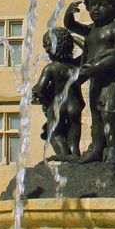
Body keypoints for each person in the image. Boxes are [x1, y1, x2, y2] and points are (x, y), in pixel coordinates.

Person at [64, 0, 115, 163]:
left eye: (101, 5)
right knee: (96, 114)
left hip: (112, 77)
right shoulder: (91, 29)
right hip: (94, 78)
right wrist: (68, 15)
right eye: (92, 6)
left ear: (112, 6)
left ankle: (113, 149)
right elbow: (72, 26)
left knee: (110, 113)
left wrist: (97, 66)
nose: (96, 9)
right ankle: (97, 149)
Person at [31, 27, 84, 159]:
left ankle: (64, 157)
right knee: (74, 135)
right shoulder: (75, 65)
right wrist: (72, 39)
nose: (46, 50)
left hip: (57, 106)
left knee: (55, 135)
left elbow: (39, 89)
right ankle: (75, 157)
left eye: (47, 46)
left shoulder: (50, 68)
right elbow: (87, 49)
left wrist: (37, 94)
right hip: (75, 105)